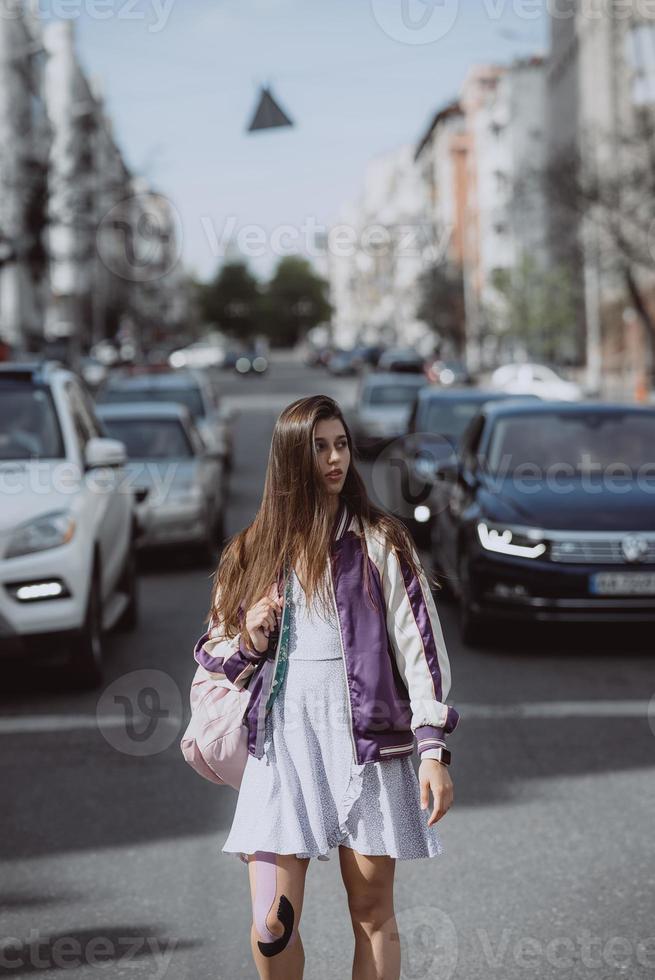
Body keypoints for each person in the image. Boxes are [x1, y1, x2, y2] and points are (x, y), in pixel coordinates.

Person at [193, 394, 460, 980]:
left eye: (341, 445)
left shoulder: (381, 542)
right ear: (292, 457)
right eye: (320, 448)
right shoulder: (249, 552)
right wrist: (253, 642)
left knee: (371, 912)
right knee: (270, 924)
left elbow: (422, 650)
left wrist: (432, 749)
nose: (336, 458)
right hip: (278, 755)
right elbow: (213, 659)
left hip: (365, 755)